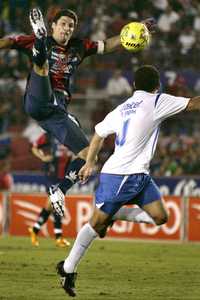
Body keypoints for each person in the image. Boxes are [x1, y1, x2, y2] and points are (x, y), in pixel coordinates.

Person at [55, 65, 200, 296]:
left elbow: (99, 134)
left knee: (161, 217)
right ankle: (67, 268)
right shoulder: (156, 101)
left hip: (139, 175)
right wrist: (90, 163)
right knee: (96, 225)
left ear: (133, 85)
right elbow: (193, 103)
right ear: (157, 86)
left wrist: (90, 162)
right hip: (121, 175)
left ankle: (116, 215)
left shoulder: (121, 108)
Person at [0, 7, 155, 216]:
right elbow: (9, 42)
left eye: (71, 26)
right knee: (43, 65)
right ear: (53, 25)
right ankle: (40, 40)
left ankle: (59, 191)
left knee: (88, 154)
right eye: (63, 24)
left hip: (56, 113)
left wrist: (133, 31)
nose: (67, 29)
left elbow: (107, 46)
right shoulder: (33, 41)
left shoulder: (79, 47)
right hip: (37, 98)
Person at [28, 129, 71, 248]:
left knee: (51, 205)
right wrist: (42, 157)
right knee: (57, 202)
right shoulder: (49, 135)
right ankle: (58, 237)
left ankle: (35, 229)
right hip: (51, 176)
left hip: (63, 177)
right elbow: (34, 146)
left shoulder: (70, 135)